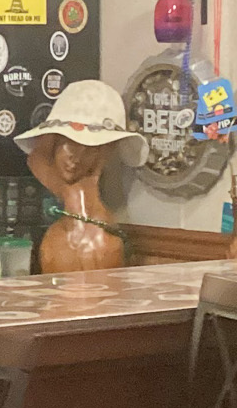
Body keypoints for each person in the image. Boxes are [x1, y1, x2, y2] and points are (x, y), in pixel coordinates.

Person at [14, 82, 148, 272]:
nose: (75, 155)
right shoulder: (57, 236)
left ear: (104, 152)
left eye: (89, 147)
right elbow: (36, 158)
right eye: (67, 142)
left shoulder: (105, 239)